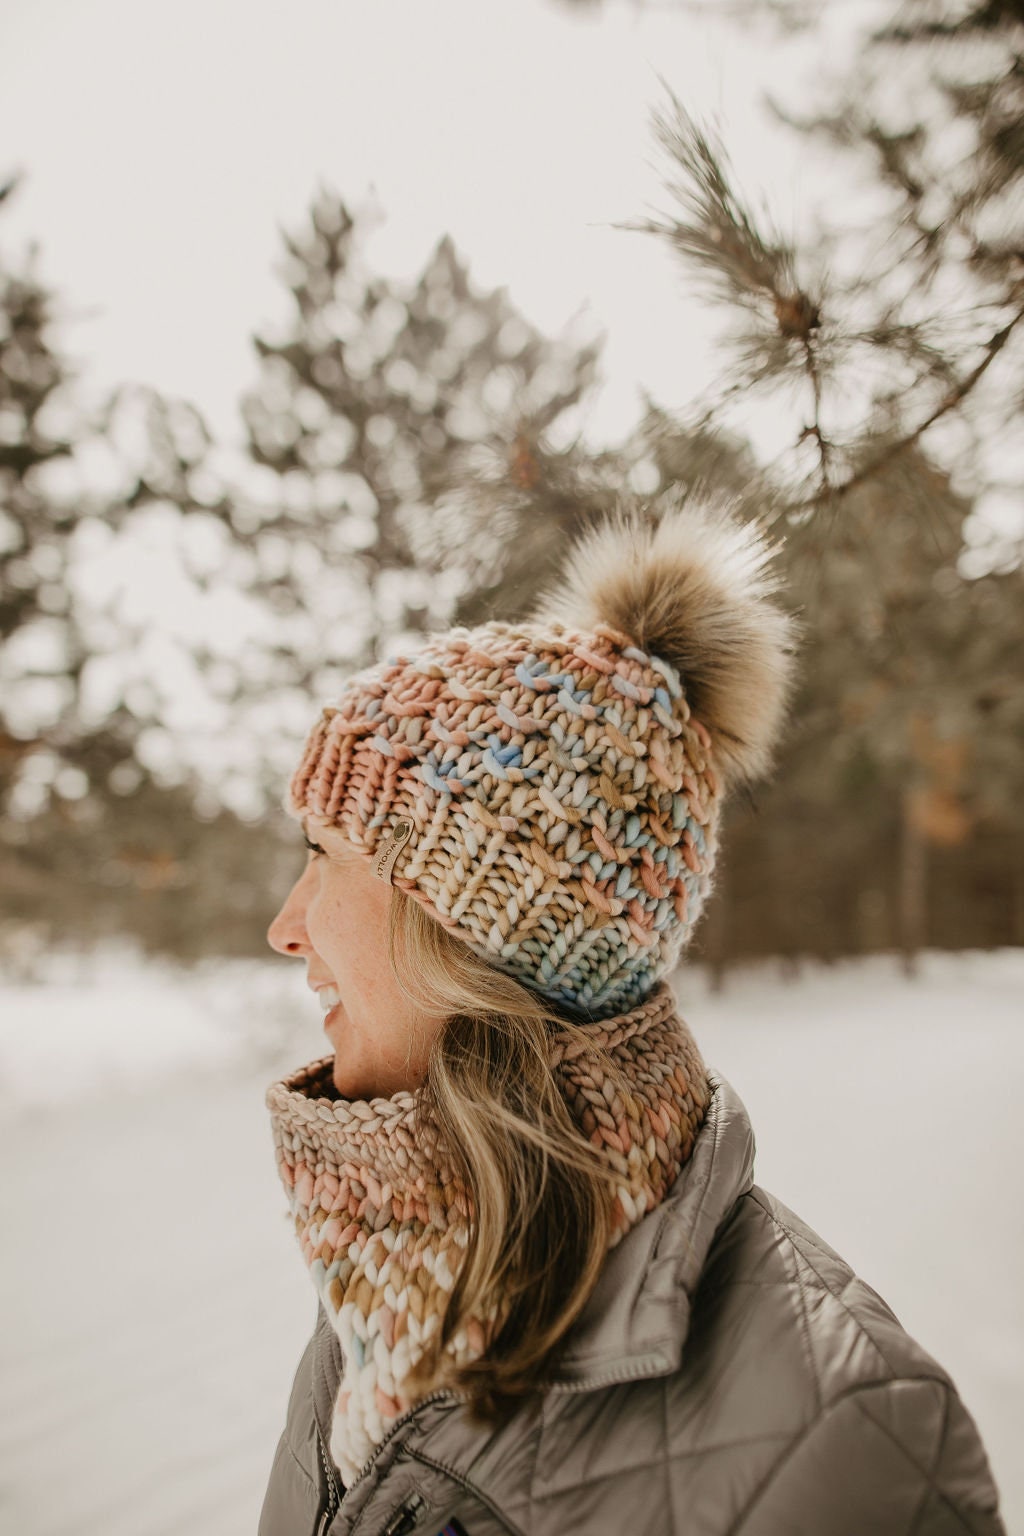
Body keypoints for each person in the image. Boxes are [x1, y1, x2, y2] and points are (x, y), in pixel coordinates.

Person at [258, 498, 1006, 1536]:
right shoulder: (390, 1279)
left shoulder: (849, 1432)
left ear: (475, 932)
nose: (285, 927)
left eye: (323, 857)